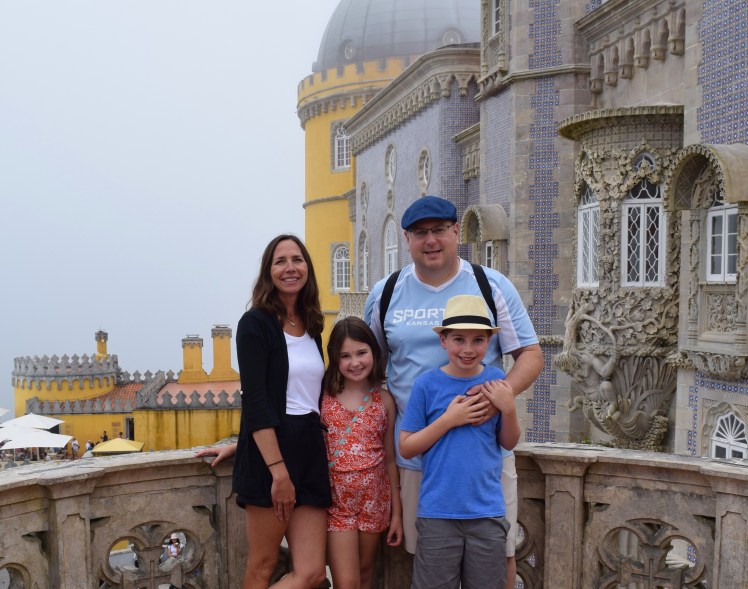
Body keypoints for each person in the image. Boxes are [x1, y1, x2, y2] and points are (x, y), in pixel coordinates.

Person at [364, 195, 543, 587]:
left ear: (456, 232)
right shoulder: (386, 292)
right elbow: (365, 367)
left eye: (439, 230)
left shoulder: (491, 285)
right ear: (407, 239)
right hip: (416, 456)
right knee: (428, 559)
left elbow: (530, 354)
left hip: (485, 457)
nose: (431, 240)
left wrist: (499, 399)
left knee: (500, 556)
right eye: (420, 233)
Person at [196, 234, 331, 589]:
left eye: (297, 259)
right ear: (268, 272)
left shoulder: (312, 326)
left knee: (313, 572)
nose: (290, 268)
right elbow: (256, 400)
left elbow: (304, 399)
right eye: (280, 261)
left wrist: (240, 444)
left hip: (310, 451)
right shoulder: (255, 324)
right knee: (263, 564)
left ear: (307, 268)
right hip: (273, 461)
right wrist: (277, 470)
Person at [400, 295, 520, 589]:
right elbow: (407, 446)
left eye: (478, 340)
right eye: (459, 340)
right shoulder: (426, 385)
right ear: (443, 341)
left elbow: (508, 442)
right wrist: (448, 420)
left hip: (487, 512)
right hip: (438, 512)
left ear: (488, 342)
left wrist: (509, 409)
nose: (468, 349)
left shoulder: (496, 380)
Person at [321, 317, 403, 589]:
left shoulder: (385, 400)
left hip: (374, 501)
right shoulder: (323, 397)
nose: (354, 362)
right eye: (345, 356)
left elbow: (390, 459)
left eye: (361, 353)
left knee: (365, 575)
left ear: (374, 353)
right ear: (335, 358)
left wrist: (396, 514)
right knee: (346, 582)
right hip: (337, 503)